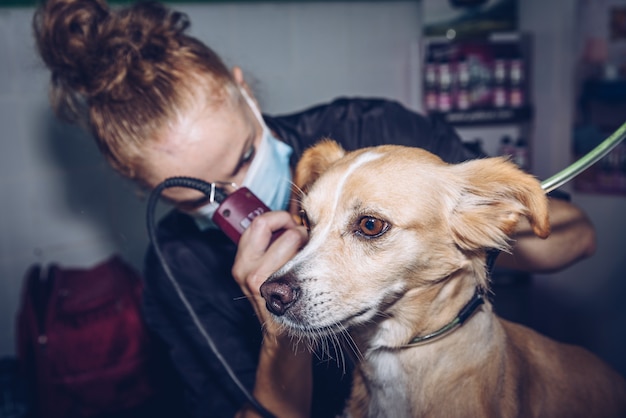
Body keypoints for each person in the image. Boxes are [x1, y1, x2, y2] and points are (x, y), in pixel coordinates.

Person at [32, 0, 596, 417]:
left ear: (244, 90)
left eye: (245, 158)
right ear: (141, 189)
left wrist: (456, 236)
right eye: (195, 193)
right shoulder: (176, 274)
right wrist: (282, 324)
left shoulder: (366, 133)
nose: (240, 198)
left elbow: (575, 237)